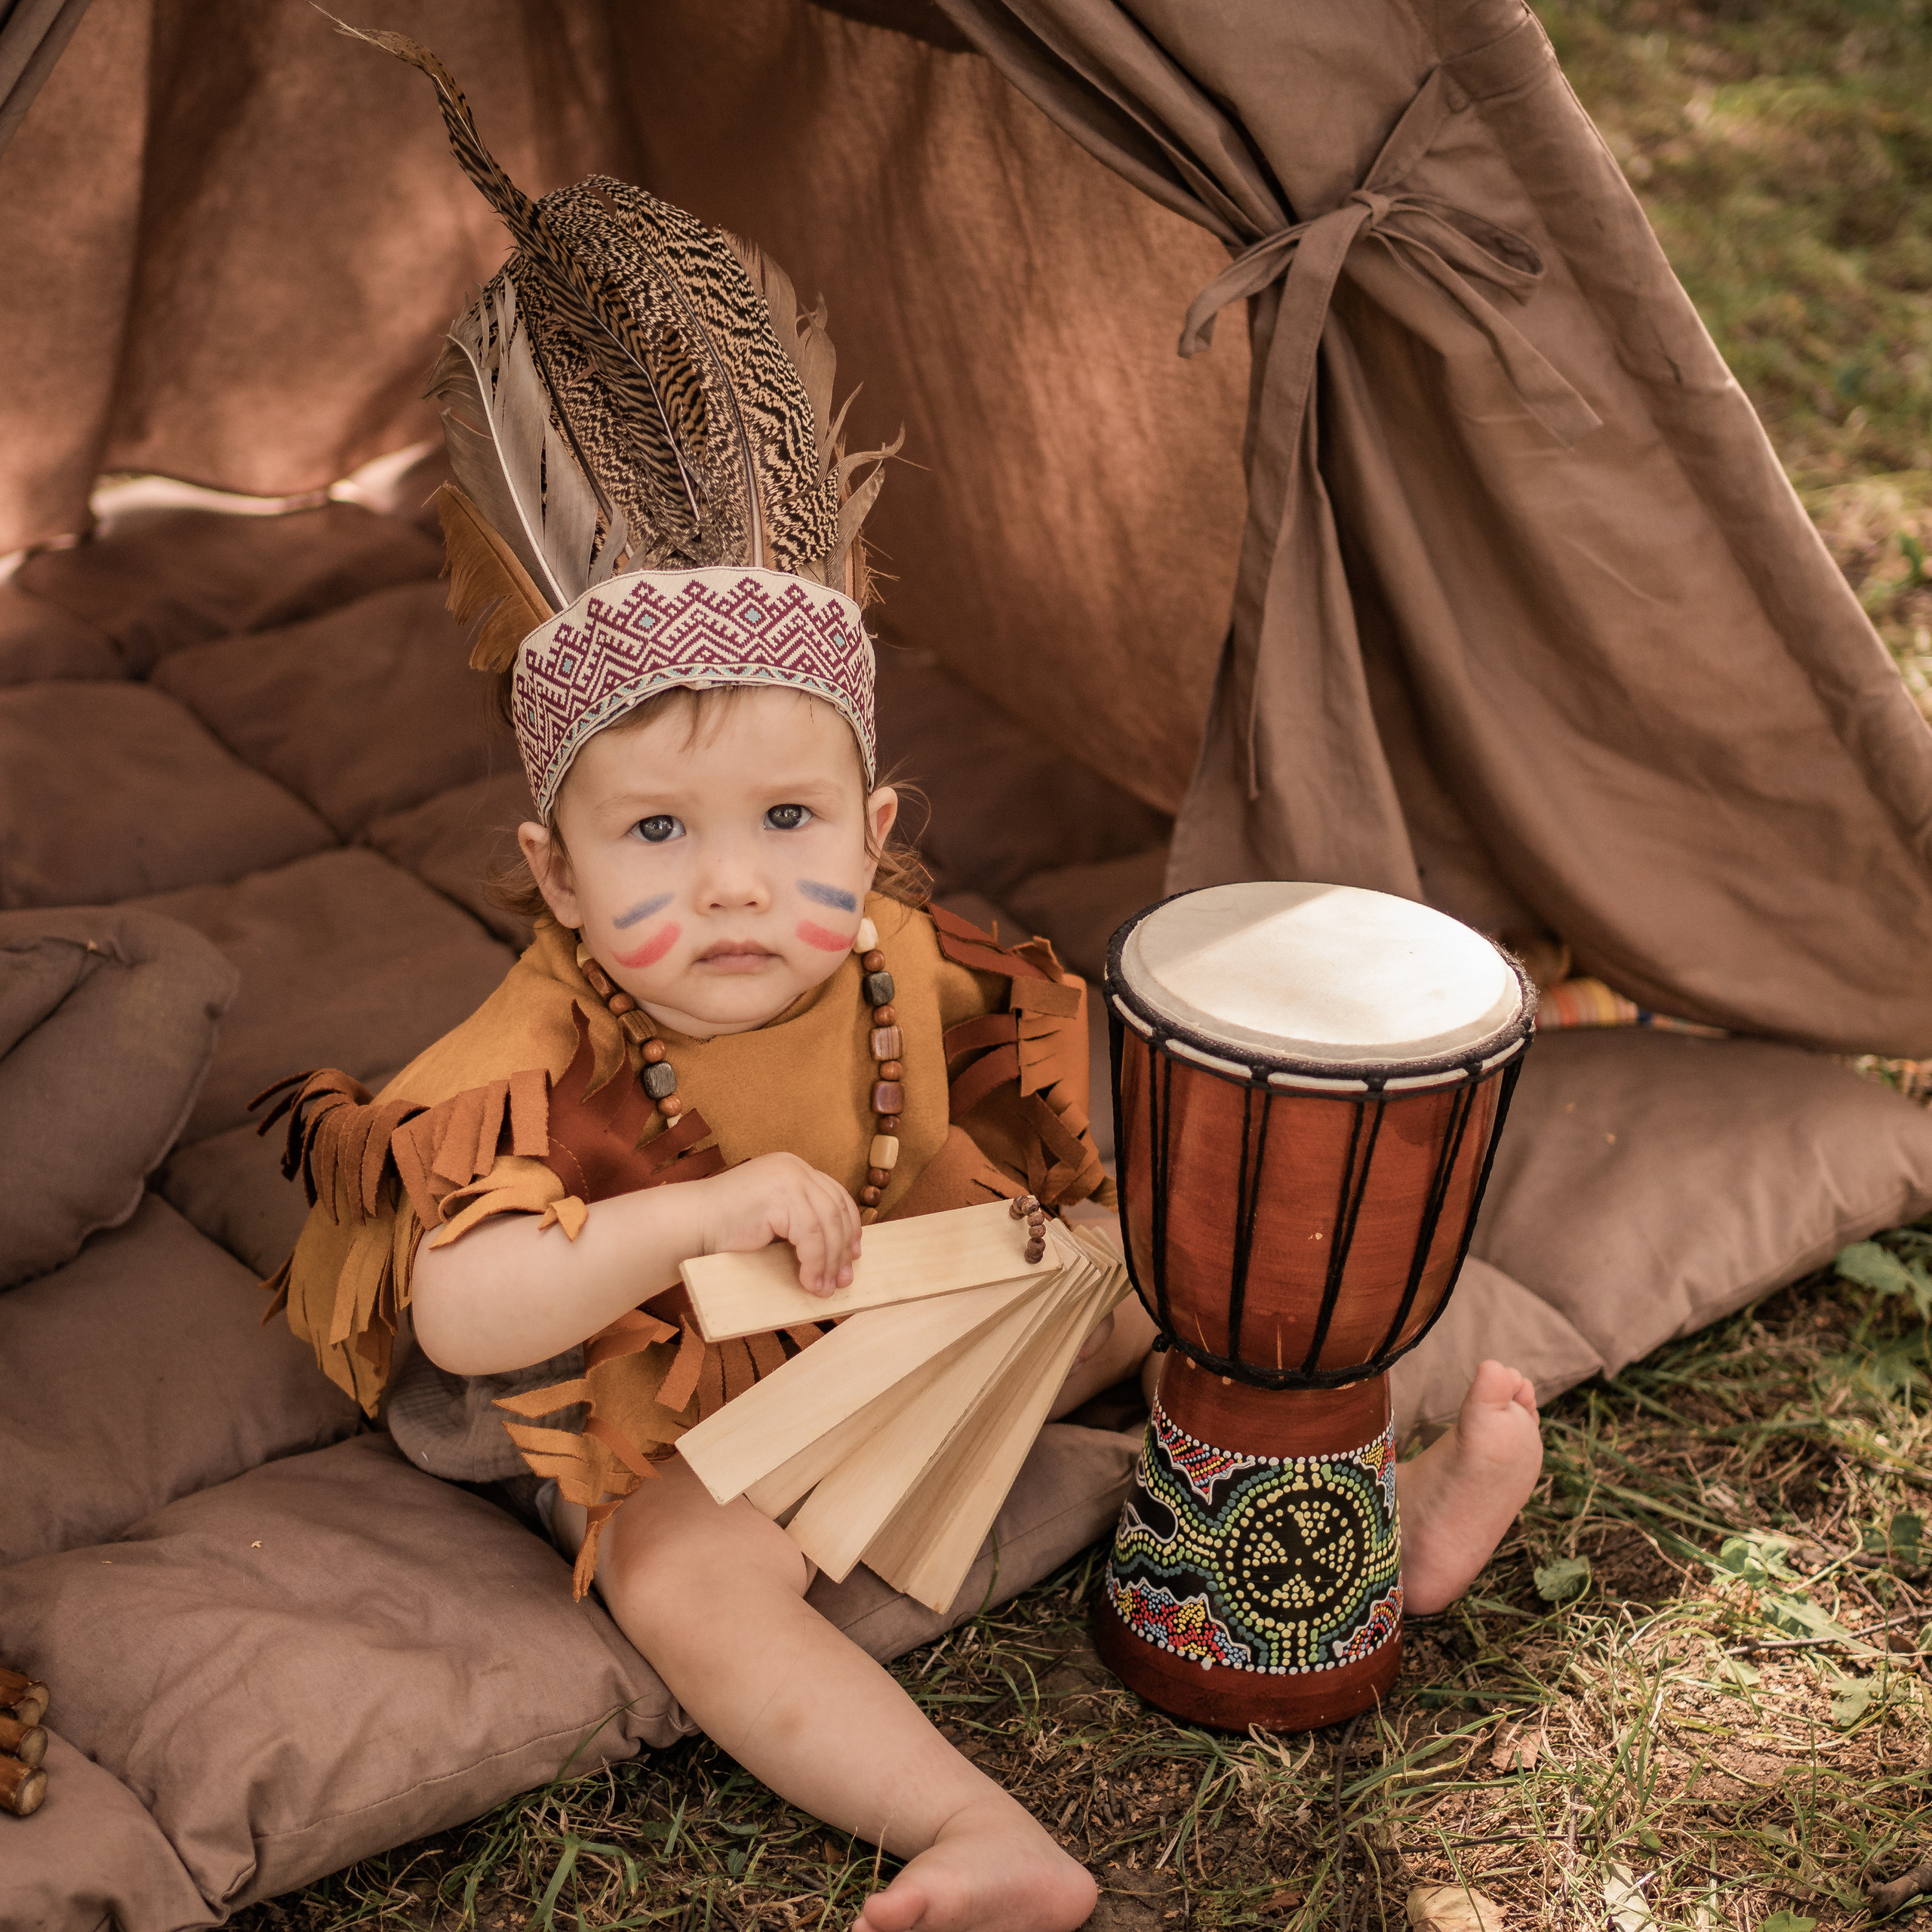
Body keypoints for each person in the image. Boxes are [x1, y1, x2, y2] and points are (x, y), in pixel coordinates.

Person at [260, 29, 1545, 1932]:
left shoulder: (897, 961)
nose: (732, 888)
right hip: (688, 1396)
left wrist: (1103, 1210)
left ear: (870, 831)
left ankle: (1370, 1523)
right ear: (550, 866)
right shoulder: (541, 1039)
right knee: (691, 1578)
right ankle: (968, 1827)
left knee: (1203, 1270)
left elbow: (1051, 1102)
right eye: (654, 837)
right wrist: (698, 1206)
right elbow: (460, 1306)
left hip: (925, 1303)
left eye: (785, 820)